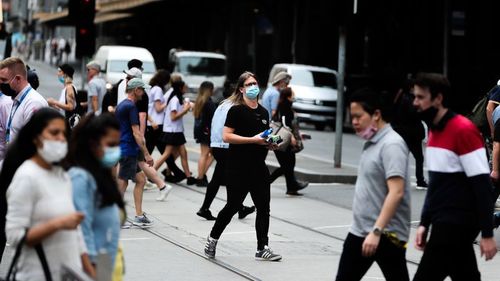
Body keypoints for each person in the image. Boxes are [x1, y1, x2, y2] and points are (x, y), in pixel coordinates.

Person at [411, 72, 497, 280]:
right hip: (444, 223)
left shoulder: (463, 130)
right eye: (415, 96)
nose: (415, 103)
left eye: (421, 97)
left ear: (438, 99)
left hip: (458, 224)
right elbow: (436, 186)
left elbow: (482, 185)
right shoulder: (433, 133)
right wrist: (424, 223)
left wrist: (487, 233)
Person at [2, 108, 94, 278]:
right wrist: (57, 224)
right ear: (36, 137)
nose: (61, 138)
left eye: (64, 134)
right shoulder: (27, 177)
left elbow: (76, 232)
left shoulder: (62, 175)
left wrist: (90, 271)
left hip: (66, 274)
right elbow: (15, 236)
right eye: (54, 132)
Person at [204, 71, 282, 261]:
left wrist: (270, 143)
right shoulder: (236, 110)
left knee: (264, 208)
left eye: (255, 83)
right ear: (241, 89)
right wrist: (252, 140)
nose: (253, 87)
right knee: (232, 206)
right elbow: (226, 136)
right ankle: (212, 239)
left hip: (258, 167)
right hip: (238, 167)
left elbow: (263, 137)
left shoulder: (263, 112)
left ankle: (262, 247)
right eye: (249, 84)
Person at [335, 88, 411, 281]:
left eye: (359, 116)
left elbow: (396, 192)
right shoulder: (372, 142)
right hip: (361, 231)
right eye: (352, 117)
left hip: (386, 235)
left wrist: (376, 231)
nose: (354, 122)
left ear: (376, 114)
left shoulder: (392, 145)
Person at [65, 113, 124, 273]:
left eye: (118, 144)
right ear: (93, 144)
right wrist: (91, 270)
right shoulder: (81, 178)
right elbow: (81, 231)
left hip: (106, 264)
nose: (116, 150)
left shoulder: (103, 175)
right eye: (110, 144)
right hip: (91, 266)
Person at [196, 87, 255, 221]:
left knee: (222, 177)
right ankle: (236, 207)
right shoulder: (236, 106)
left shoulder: (223, 104)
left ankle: (236, 208)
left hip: (217, 144)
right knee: (234, 179)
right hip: (227, 146)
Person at [115, 78, 156, 227]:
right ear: (135, 90)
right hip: (128, 149)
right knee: (123, 183)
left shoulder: (123, 105)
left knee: (140, 180)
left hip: (126, 148)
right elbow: (136, 133)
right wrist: (146, 154)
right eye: (142, 89)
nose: (144, 93)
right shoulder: (131, 107)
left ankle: (138, 215)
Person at [153, 80, 196, 185]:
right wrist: (185, 110)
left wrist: (186, 108)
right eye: (185, 87)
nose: (186, 89)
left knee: (182, 153)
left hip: (177, 131)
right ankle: (151, 174)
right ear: (180, 88)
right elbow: (173, 117)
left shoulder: (179, 99)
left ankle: (187, 177)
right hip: (172, 131)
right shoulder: (174, 100)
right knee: (167, 154)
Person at [269, 87, 309, 195]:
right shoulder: (284, 107)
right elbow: (285, 123)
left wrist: (298, 135)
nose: (294, 96)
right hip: (283, 140)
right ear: (288, 97)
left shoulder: (283, 106)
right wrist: (291, 136)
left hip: (279, 139)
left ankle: (291, 187)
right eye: (292, 94)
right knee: (287, 165)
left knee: (288, 165)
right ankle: (266, 181)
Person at [0, 57, 48, 145]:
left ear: (18, 79)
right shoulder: (16, 99)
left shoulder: (34, 103)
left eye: (4, 80)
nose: (1, 84)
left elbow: (32, 145)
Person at [391, 86, 428, 189]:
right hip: (412, 134)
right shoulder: (410, 100)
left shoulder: (402, 98)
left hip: (405, 133)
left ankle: (396, 179)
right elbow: (414, 115)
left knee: (402, 157)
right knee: (418, 158)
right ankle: (419, 180)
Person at [192, 81, 216, 186]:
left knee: (204, 154)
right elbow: (214, 119)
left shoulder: (199, 101)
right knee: (209, 154)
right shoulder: (209, 103)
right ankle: (200, 177)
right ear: (209, 90)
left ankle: (201, 176)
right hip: (207, 132)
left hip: (200, 130)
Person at [47, 63, 80, 128]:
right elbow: (64, 108)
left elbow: (70, 107)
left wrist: (54, 102)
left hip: (68, 124)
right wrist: (53, 105)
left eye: (60, 71)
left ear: (65, 74)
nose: (58, 74)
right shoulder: (66, 88)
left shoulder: (69, 88)